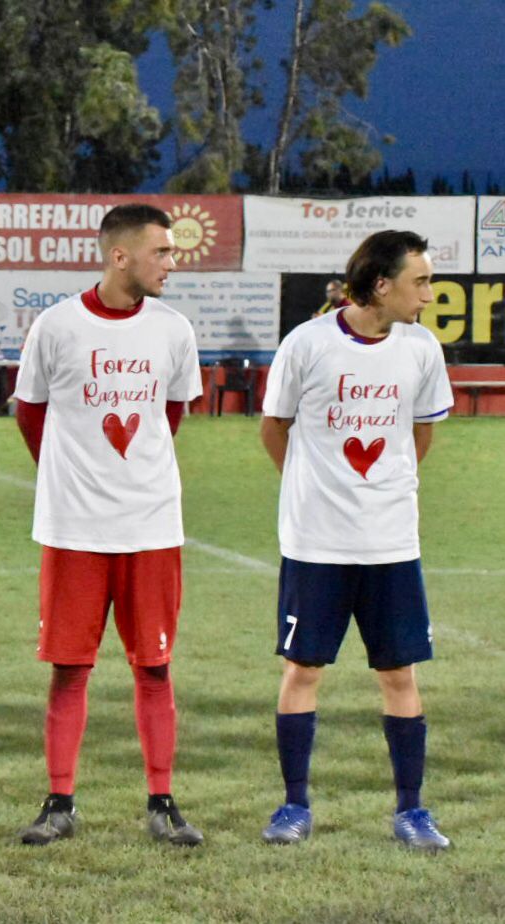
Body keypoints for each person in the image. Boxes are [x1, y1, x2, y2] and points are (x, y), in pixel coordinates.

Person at [11, 203, 204, 847]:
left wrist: (130, 477)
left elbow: (170, 415)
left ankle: (163, 801)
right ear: (120, 256)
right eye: (162, 252)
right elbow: (31, 414)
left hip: (151, 526)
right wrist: (72, 479)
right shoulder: (57, 325)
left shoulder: (173, 329)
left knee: (155, 667)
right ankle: (59, 802)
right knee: (69, 668)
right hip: (75, 530)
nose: (171, 263)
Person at [259, 230, 453, 851]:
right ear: (381, 285)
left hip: (391, 543)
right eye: (420, 282)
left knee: (399, 673)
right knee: (302, 669)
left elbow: (420, 433)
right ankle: (294, 805)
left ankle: (412, 811)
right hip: (316, 544)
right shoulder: (307, 343)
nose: (429, 294)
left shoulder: (421, 348)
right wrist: (311, 491)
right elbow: (275, 426)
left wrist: (386, 490)